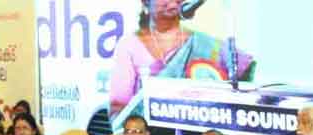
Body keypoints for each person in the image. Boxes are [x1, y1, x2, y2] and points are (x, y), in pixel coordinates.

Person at [109, 0, 255, 128]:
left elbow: (245, 65)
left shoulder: (202, 42)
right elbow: (119, 109)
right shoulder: (129, 45)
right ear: (145, 2)